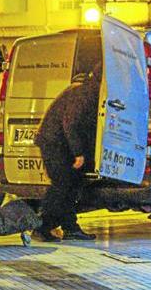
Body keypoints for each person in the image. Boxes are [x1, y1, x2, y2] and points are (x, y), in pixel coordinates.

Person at [32, 64, 102, 242]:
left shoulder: (85, 90)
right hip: (55, 145)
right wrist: (78, 153)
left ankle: (69, 227)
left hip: (58, 144)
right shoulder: (84, 93)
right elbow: (70, 123)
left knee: (70, 186)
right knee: (62, 186)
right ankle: (41, 226)